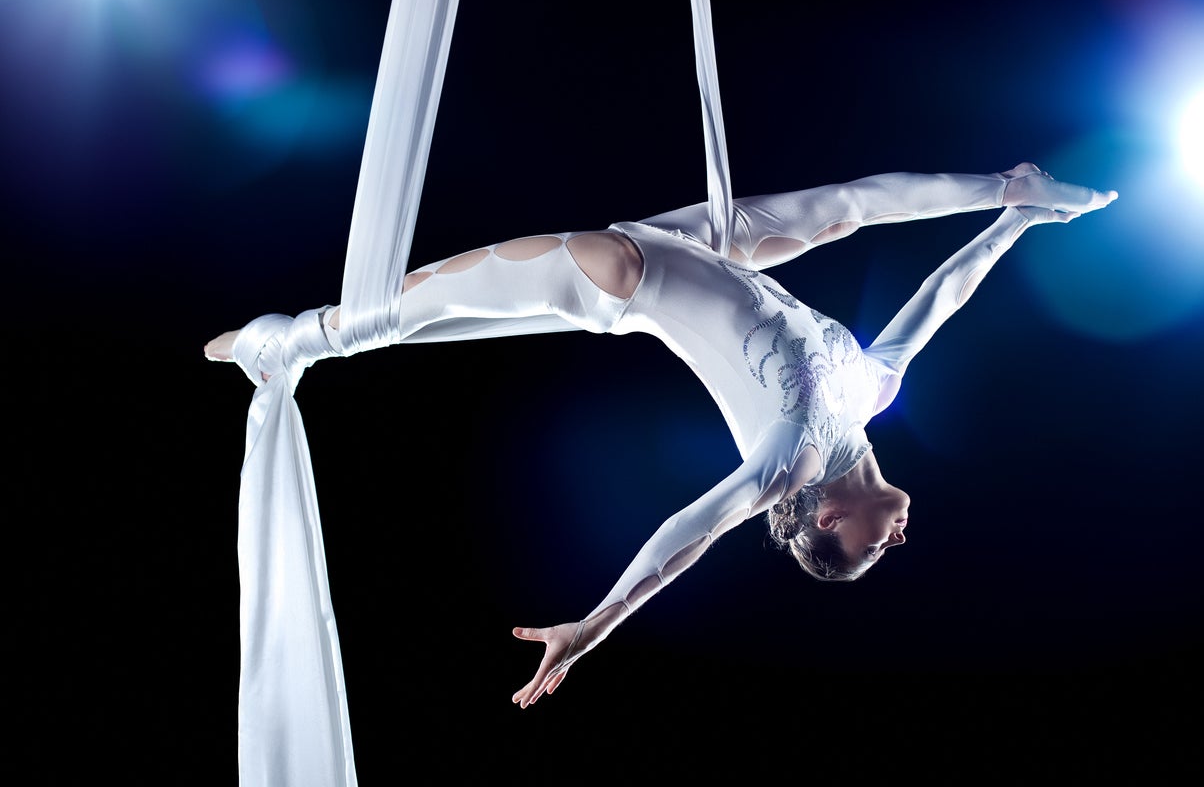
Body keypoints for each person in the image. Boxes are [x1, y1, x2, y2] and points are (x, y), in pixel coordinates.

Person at [205, 161, 1116, 709]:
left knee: (382, 314)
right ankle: (1018, 185)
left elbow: (687, 538)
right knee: (846, 207)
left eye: (880, 552)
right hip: (705, 248)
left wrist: (596, 626)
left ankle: (272, 343)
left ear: (828, 526)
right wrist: (1012, 224)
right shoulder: (871, 396)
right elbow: (938, 302)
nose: (902, 536)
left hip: (608, 277)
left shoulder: (785, 464)